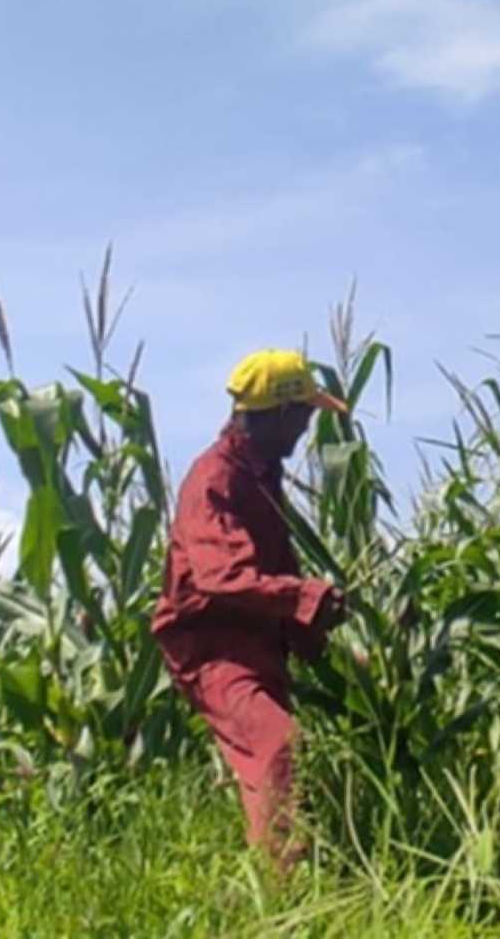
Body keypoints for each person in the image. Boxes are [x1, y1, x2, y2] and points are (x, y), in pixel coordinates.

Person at [151, 349, 350, 867]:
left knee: (278, 756)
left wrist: (315, 629)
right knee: (278, 746)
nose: (307, 428)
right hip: (214, 650)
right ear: (281, 415)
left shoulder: (259, 473)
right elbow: (221, 578)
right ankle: (282, 889)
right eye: (305, 415)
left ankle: (285, 874)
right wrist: (306, 597)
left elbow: (274, 568)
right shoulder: (215, 479)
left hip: (254, 645)